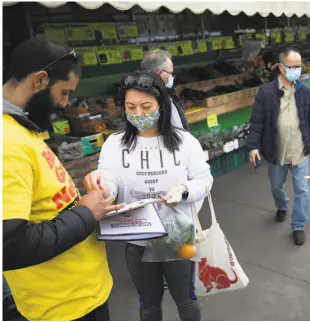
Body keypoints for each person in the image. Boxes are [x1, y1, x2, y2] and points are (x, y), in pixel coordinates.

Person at [2, 38, 123, 321]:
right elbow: (9, 245)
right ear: (40, 79)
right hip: (60, 309)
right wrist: (85, 213)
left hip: (78, 296)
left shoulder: (21, 129)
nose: (65, 104)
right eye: (64, 92)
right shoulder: (5, 141)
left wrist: (81, 202)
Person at [84, 70, 213, 321]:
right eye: (131, 107)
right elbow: (109, 178)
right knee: (148, 304)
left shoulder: (185, 143)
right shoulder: (115, 144)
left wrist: (184, 191)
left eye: (146, 106)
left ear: (161, 105)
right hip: (137, 236)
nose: (139, 114)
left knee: (186, 300)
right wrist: (101, 187)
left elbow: (204, 179)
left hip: (178, 236)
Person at [247, 47, 310, 246]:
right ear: (281, 68)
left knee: (302, 190)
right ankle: (282, 204)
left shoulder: (304, 91)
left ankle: (298, 226)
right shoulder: (266, 93)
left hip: (300, 150)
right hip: (276, 151)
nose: (297, 70)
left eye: (299, 66)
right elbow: (256, 121)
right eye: (292, 67)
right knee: (276, 186)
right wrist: (254, 146)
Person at [140, 49, 189, 130]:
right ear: (159, 73)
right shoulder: (152, 101)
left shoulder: (164, 94)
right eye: (170, 73)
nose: (171, 76)